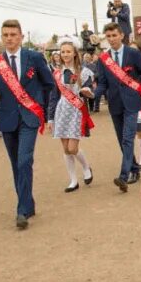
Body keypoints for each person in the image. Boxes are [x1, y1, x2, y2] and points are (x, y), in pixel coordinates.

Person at [0, 19, 56, 230]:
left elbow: (49, 84)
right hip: (8, 119)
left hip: (29, 117)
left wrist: (41, 108)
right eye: (5, 35)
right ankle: (28, 203)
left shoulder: (34, 57)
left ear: (21, 36)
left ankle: (21, 210)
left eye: (13, 34)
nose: (9, 38)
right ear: (2, 37)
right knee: (15, 165)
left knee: (24, 160)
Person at [95, 23, 141, 192]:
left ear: (121, 35)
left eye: (114, 35)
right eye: (108, 36)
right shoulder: (103, 59)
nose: (111, 39)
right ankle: (134, 169)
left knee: (128, 137)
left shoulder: (133, 53)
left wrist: (136, 87)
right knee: (121, 139)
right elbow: (102, 83)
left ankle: (123, 176)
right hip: (114, 103)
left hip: (132, 102)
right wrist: (93, 94)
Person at [47, 38, 96, 192]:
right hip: (61, 110)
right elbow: (53, 96)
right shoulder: (57, 73)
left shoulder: (84, 71)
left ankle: (86, 167)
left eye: (68, 51)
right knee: (65, 149)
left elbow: (90, 91)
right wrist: (50, 117)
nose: (65, 54)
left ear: (75, 53)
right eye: (63, 52)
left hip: (77, 111)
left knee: (72, 147)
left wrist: (87, 92)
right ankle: (73, 180)